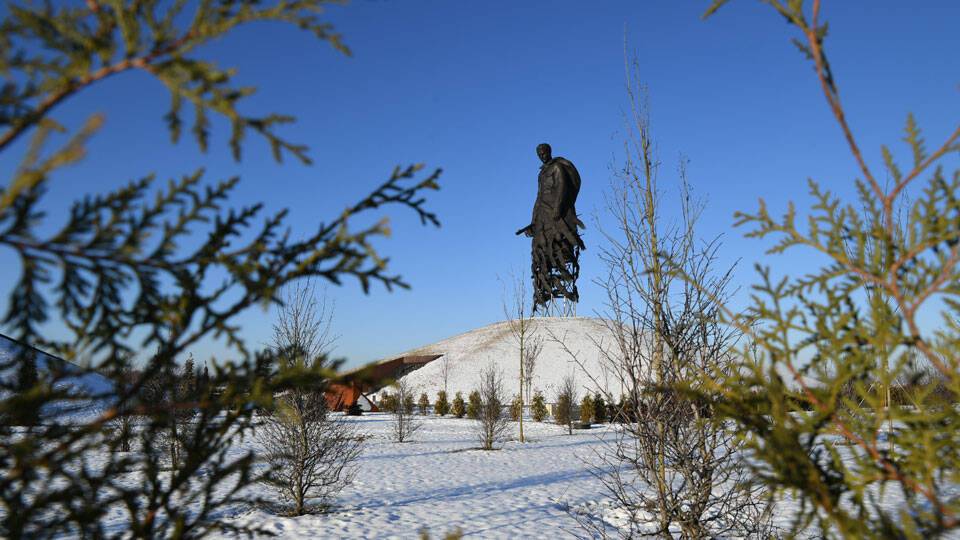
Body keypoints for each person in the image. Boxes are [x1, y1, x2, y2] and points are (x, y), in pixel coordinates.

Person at [516, 143, 584, 309]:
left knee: (558, 248)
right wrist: (533, 222)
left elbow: (562, 187)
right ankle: (542, 291)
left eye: (544, 152)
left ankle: (563, 290)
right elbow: (538, 198)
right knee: (540, 255)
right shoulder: (542, 173)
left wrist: (558, 209)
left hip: (555, 216)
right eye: (539, 153)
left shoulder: (557, 168)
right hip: (543, 216)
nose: (542, 155)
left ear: (549, 151)